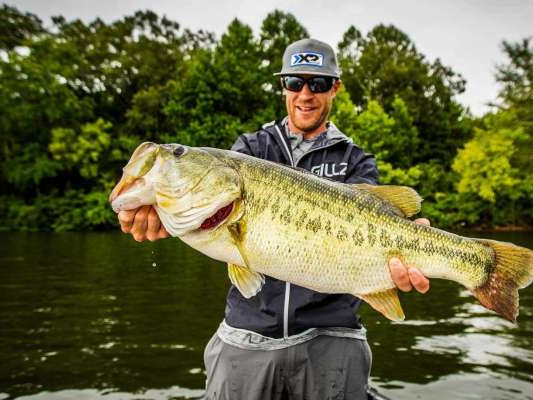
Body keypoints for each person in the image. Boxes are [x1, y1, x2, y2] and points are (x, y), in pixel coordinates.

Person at [117, 38, 430, 400]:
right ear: (283, 86)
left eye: (318, 83)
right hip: (247, 331)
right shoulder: (251, 149)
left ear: (336, 88)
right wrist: (158, 212)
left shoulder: (356, 159)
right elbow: (203, 210)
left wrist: (411, 247)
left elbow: (379, 222)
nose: (305, 94)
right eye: (295, 82)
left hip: (333, 334)